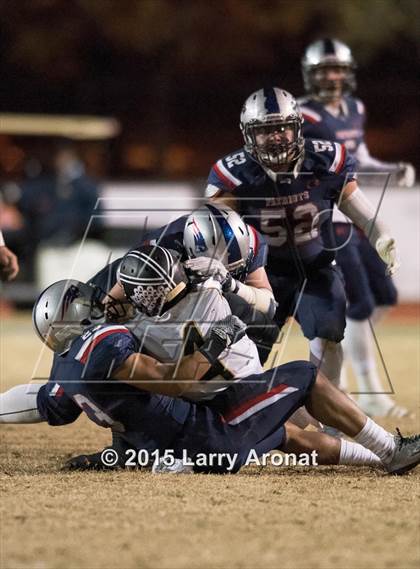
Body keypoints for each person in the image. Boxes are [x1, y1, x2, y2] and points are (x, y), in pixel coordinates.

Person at [1, 269, 419, 476]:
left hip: (162, 446)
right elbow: (177, 381)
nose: (103, 300)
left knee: (283, 433)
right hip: (210, 438)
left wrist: (114, 457)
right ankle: (389, 451)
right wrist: (219, 339)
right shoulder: (104, 341)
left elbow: (41, 404)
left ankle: (381, 460)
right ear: (76, 314)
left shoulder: (64, 370)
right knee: (304, 377)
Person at [205, 87, 399, 400]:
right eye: (265, 130)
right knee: (244, 350)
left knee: (328, 337)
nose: (276, 137)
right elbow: (217, 235)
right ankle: (237, 412)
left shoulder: (326, 159)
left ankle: (324, 414)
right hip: (261, 275)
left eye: (282, 127)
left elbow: (362, 214)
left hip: (316, 267)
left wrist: (381, 236)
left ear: (297, 126)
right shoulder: (233, 173)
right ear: (247, 134)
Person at [299, 39, 416, 417]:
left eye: (338, 70)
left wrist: (389, 170)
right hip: (328, 219)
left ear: (348, 74)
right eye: (324, 70)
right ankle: (367, 390)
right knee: (360, 304)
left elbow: (358, 158)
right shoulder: (303, 115)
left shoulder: (355, 108)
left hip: (353, 215)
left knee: (383, 295)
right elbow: (317, 169)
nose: (332, 77)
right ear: (311, 75)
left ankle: (344, 368)